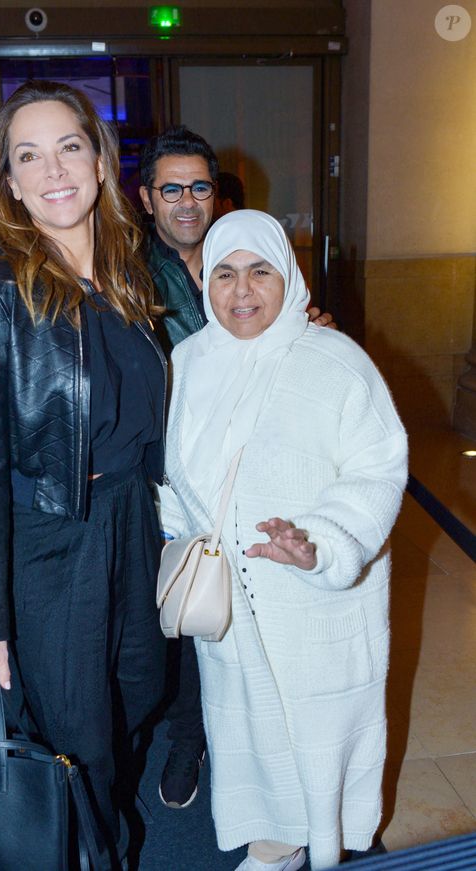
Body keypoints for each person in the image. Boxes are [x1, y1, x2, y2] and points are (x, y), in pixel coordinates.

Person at [0, 80, 167, 870]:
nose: (54, 170)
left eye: (69, 147)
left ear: (100, 162)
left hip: (131, 519)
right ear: (7, 182)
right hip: (50, 538)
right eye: (28, 156)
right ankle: (94, 854)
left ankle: (99, 830)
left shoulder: (129, 274)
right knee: (79, 738)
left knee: (140, 688)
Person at [156, 209, 408, 871]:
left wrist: (320, 544)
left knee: (316, 741)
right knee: (252, 731)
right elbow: (172, 474)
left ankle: (311, 847)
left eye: (260, 271)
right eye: (224, 274)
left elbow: (376, 472)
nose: (241, 291)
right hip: (230, 600)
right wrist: (171, 530)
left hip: (314, 596)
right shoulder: (188, 362)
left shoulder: (336, 362)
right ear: (205, 284)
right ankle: (276, 844)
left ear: (288, 277)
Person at [138, 125, 336, 810]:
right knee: (197, 607)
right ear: (147, 198)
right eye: (171, 189)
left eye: (199, 187)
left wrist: (309, 333)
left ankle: (275, 754)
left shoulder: (246, 253)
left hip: (262, 466)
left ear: (216, 194)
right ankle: (189, 737)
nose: (186, 201)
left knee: (265, 617)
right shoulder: (130, 276)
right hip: (182, 475)